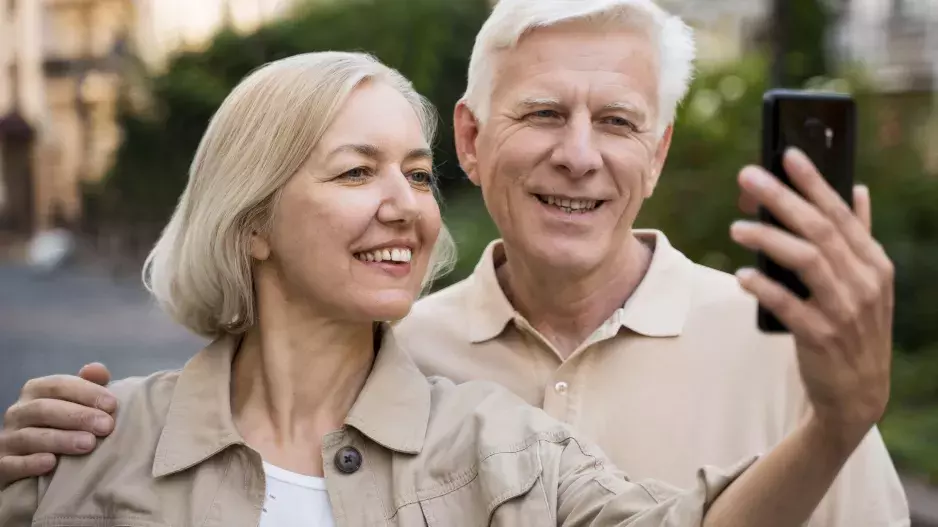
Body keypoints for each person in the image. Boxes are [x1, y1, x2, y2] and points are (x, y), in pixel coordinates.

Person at [0, 0, 908, 525]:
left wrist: (839, 419)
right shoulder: (92, 444)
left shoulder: (502, 444)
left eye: (415, 173)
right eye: (545, 113)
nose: (581, 156)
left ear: (660, 152)